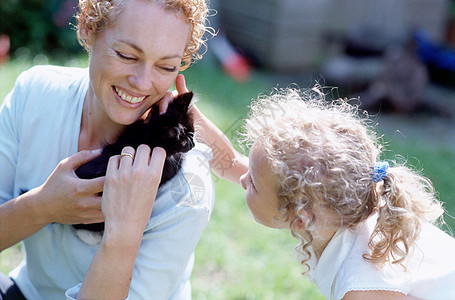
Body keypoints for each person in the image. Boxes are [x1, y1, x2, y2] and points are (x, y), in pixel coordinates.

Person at [0, 0, 246, 299]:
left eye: (166, 66)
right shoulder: (35, 94)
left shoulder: (186, 189)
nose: (142, 83)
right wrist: (41, 207)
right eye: (127, 55)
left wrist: (122, 235)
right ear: (89, 27)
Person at [238, 87, 455, 299]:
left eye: (253, 183)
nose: (242, 179)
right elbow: (250, 175)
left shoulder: (360, 286)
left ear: (301, 219)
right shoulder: (353, 205)